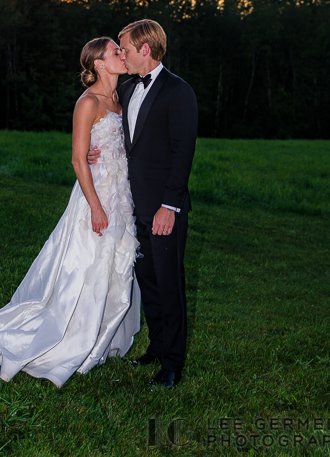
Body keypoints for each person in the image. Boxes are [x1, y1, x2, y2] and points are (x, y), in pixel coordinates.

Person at [0, 37, 140, 387]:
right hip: (96, 196)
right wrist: (97, 208)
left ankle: (104, 336)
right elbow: (76, 158)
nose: (121, 54)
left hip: (122, 193)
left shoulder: (121, 96)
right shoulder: (88, 102)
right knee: (87, 267)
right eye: (115, 51)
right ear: (99, 63)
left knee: (119, 262)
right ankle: (70, 338)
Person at [88, 19, 197, 389]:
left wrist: (170, 206)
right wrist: (93, 154)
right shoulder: (129, 89)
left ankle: (172, 364)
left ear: (145, 49)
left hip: (165, 210)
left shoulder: (178, 92)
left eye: (127, 50)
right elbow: (122, 142)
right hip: (132, 206)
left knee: (169, 285)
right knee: (148, 283)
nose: (123, 55)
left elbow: (183, 154)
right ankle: (156, 347)